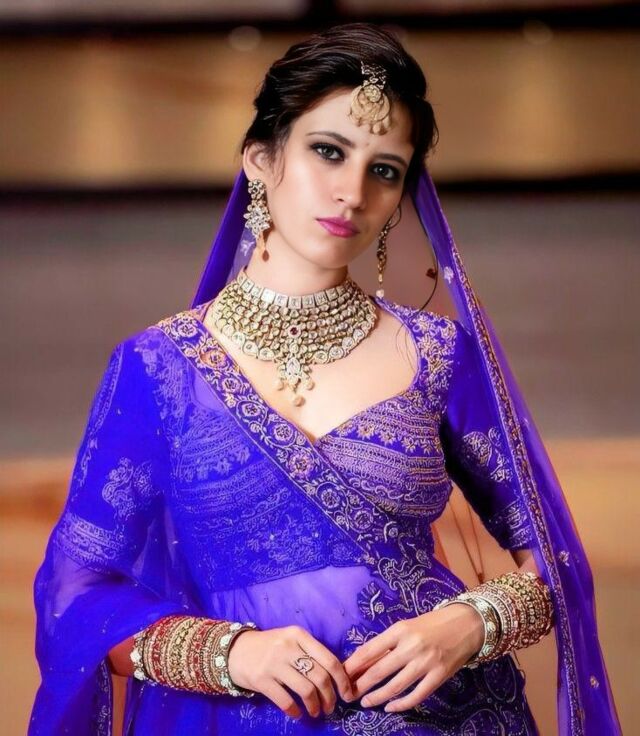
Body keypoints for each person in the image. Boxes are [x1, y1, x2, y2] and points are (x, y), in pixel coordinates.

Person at [29, 23, 620, 736]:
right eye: (328, 151)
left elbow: (554, 555)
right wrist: (230, 653)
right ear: (260, 158)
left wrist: (471, 622)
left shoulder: (437, 353)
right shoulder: (157, 369)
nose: (352, 192)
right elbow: (76, 593)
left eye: (385, 170)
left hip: (446, 718)